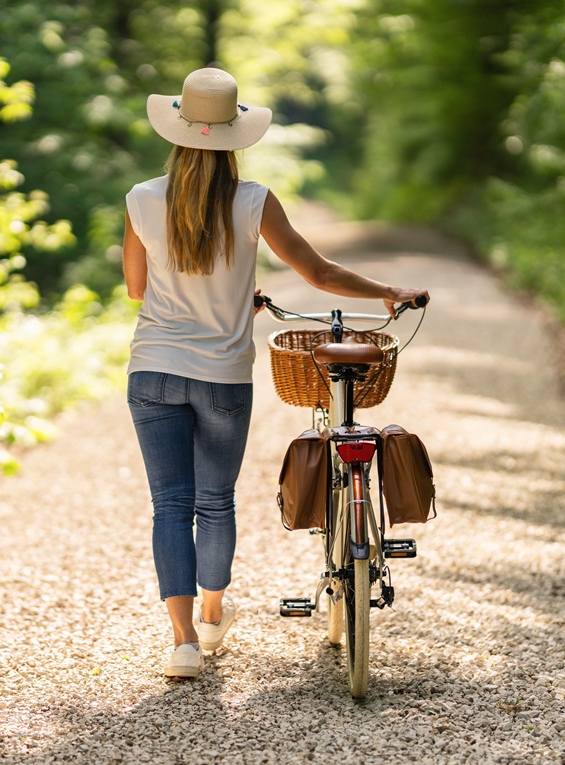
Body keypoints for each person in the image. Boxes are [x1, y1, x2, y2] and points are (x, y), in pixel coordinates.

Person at [124, 67, 429, 679]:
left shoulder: (141, 199)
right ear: (234, 139)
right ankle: (213, 614)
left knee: (170, 506)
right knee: (214, 502)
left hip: (154, 369)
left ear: (177, 132)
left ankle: (183, 643)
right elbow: (320, 274)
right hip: (222, 375)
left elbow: (137, 288)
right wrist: (387, 291)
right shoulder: (252, 200)